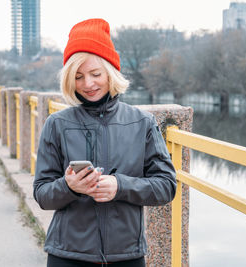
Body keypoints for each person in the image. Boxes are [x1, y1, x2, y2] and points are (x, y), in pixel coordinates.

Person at [33, 18, 176, 267]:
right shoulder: (56, 124)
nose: (88, 84)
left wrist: (119, 186)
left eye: (95, 74)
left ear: (110, 72)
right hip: (67, 255)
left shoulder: (142, 122)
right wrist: (70, 187)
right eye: (78, 77)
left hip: (127, 256)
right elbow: (42, 195)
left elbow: (166, 186)